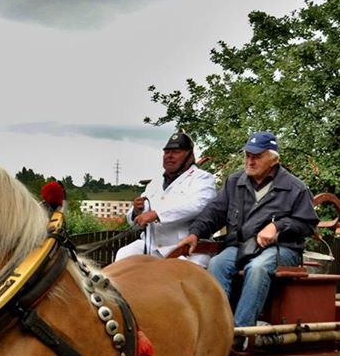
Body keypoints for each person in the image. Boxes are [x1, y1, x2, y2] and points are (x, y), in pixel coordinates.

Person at [178, 131, 319, 327]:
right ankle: (218, 327)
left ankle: (240, 331)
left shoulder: (296, 188)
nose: (250, 161)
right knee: (217, 263)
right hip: (241, 246)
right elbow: (214, 212)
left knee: (258, 267)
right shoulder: (234, 182)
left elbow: (307, 224)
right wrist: (195, 233)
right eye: (248, 156)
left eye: (257, 157)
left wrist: (277, 227)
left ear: (273, 160)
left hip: (283, 249)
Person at [114, 132, 216, 267]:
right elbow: (134, 223)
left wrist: (157, 214)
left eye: (176, 152)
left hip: (188, 249)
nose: (169, 156)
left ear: (190, 156)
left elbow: (198, 205)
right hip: (151, 246)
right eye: (166, 152)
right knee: (123, 255)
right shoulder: (154, 183)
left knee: (178, 275)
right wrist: (136, 212)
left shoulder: (202, 178)